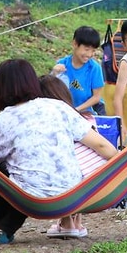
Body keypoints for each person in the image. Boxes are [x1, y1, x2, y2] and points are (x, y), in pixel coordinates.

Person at [0, 58, 118, 245]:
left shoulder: (2, 121)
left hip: (30, 197)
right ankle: (3, 227)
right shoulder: (57, 107)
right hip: (72, 193)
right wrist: (121, 167)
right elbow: (102, 147)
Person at [39, 74, 111, 235]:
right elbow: (101, 146)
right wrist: (120, 160)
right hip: (96, 179)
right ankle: (75, 221)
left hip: (71, 183)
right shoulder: (82, 118)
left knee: (65, 164)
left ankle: (67, 222)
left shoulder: (47, 120)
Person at [50, 25, 106, 118]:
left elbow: (96, 98)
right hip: (63, 112)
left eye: (93, 51)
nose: (89, 54)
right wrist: (54, 73)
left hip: (85, 113)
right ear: (75, 44)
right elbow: (51, 89)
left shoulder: (94, 68)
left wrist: (76, 110)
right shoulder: (62, 64)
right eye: (87, 49)